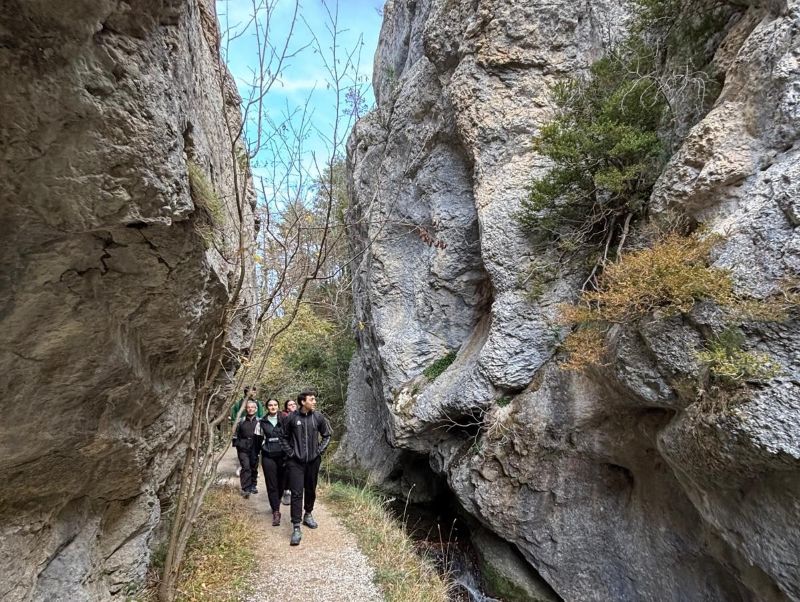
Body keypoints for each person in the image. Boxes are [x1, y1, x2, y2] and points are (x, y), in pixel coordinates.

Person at [281, 390, 331, 546]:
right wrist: (291, 453)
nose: (314, 401)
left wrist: (319, 451)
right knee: (296, 493)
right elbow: (282, 437)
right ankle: (296, 526)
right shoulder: (291, 418)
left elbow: (327, 435)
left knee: (310, 489)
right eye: (312, 399)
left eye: (315, 399)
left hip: (313, 462)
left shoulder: (318, 417)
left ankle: (308, 514)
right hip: (295, 462)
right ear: (303, 402)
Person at [259, 399, 286, 526]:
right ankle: (276, 511)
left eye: (275, 405)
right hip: (268, 456)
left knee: (282, 483)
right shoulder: (262, 422)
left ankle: (277, 500)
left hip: (283, 456)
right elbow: (257, 440)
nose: (273, 407)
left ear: (278, 406)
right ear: (267, 407)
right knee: (271, 484)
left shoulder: (285, 420)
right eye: (270, 405)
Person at [232, 400, 262, 497]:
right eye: (248, 407)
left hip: (255, 446)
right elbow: (235, 434)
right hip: (243, 447)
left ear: (256, 409)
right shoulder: (241, 421)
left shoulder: (260, 421)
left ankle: (253, 485)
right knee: (245, 467)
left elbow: (262, 435)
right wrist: (237, 444)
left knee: (254, 466)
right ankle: (246, 488)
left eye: (252, 407)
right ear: (246, 409)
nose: (250, 409)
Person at [280, 399, 297, 505]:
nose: (293, 406)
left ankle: (293, 490)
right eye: (290, 405)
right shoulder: (284, 417)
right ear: (286, 407)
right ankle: (286, 491)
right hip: (287, 449)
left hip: (297, 449)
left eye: (294, 404)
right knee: (286, 470)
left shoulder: (300, 416)